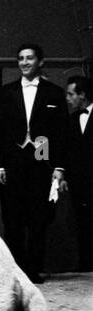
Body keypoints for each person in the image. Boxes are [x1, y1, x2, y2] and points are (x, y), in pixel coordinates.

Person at [0, 44, 68, 283]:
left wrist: (59, 167)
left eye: (30, 58)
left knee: (38, 219)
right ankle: (16, 273)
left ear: (40, 62)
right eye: (21, 59)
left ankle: (32, 270)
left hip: (41, 163)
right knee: (12, 219)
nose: (24, 62)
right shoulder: (6, 92)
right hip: (13, 163)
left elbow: (62, 133)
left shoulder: (54, 93)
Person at [64, 75, 93, 271]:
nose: (67, 98)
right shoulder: (71, 119)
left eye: (70, 94)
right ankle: (86, 267)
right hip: (79, 184)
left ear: (82, 95)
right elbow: (65, 151)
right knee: (83, 226)